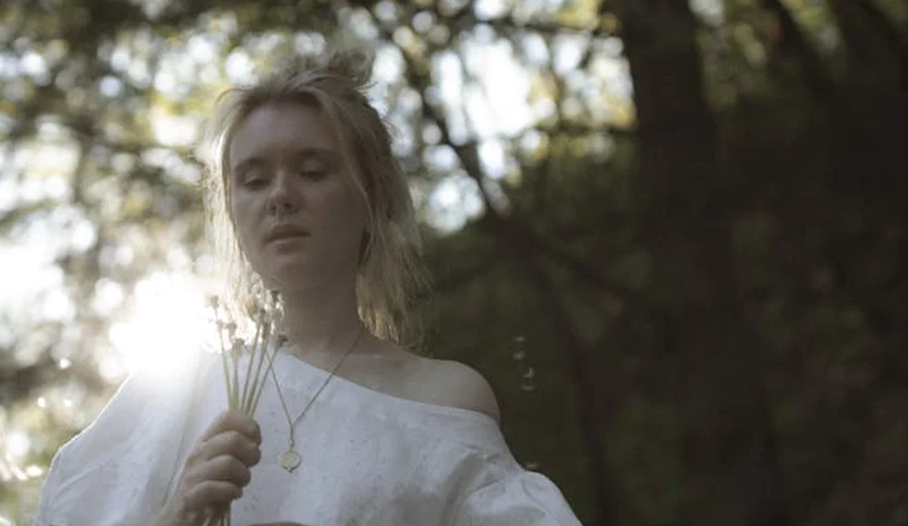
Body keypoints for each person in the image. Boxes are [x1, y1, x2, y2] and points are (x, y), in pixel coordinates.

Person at [32, 53, 581, 526]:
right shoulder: (175, 392)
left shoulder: (442, 398)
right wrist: (176, 514)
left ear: (375, 199)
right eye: (253, 179)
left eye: (313, 171)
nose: (280, 197)